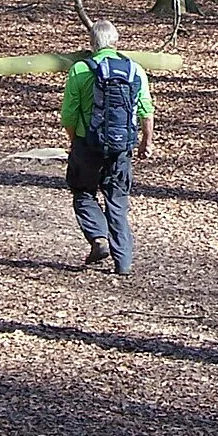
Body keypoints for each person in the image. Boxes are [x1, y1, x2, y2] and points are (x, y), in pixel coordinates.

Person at [59, 19, 154, 275]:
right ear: (115, 42)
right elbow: (146, 109)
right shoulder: (135, 70)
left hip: (86, 145)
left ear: (92, 44)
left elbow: (68, 116)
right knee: (118, 200)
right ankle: (123, 262)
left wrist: (75, 142)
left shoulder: (80, 69)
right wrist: (146, 141)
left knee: (83, 192)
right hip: (122, 146)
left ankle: (98, 239)